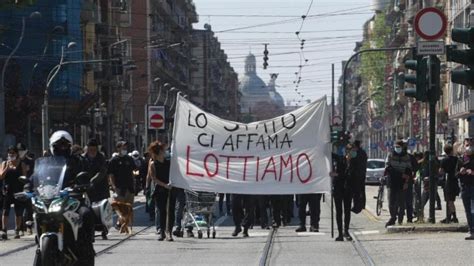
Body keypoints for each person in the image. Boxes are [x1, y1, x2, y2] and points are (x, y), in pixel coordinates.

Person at [41, 130, 95, 264]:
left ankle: (87, 248)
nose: (62, 148)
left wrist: (82, 185)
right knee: (35, 209)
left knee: (87, 214)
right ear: (52, 146)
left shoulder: (77, 161)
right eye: (59, 145)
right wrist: (28, 186)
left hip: (73, 199)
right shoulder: (45, 162)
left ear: (70, 147)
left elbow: (86, 176)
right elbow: (35, 177)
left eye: (65, 145)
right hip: (51, 200)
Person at [147, 141, 176, 241]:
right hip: (160, 190)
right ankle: (162, 232)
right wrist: (164, 185)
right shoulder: (153, 164)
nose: (165, 152)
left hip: (171, 189)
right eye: (163, 150)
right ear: (159, 152)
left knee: (171, 210)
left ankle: (170, 232)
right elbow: (153, 178)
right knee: (162, 211)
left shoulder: (170, 162)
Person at [83, 139, 109, 239]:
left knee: (101, 209)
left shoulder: (101, 157)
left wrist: (92, 180)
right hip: (87, 189)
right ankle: (91, 229)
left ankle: (104, 229)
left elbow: (102, 171)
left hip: (100, 188)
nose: (92, 151)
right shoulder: (82, 158)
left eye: (94, 149)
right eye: (90, 149)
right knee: (88, 209)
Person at [0, 146, 28, 239]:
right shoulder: (4, 163)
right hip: (7, 190)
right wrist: (7, 168)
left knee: (18, 212)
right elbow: (1, 176)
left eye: (13, 153)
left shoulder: (21, 164)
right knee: (5, 210)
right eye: (9, 153)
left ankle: (17, 229)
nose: (11, 155)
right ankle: (4, 230)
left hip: (18, 190)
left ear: (17, 154)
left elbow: (24, 177)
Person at [385, 140, 412, 226]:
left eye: (399, 147)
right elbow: (388, 168)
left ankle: (400, 219)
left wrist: (406, 181)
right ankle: (393, 217)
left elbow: (409, 170)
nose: (397, 148)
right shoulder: (390, 155)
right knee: (391, 202)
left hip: (402, 183)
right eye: (396, 147)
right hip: (392, 181)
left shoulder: (406, 157)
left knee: (401, 202)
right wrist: (401, 175)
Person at [108, 141, 135, 226]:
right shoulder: (113, 160)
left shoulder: (129, 159)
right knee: (121, 208)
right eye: (123, 147)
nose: (125, 149)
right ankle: (120, 223)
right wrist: (113, 186)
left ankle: (122, 224)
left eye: (125, 148)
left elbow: (133, 172)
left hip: (129, 188)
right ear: (118, 148)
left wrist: (134, 183)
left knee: (129, 208)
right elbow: (111, 175)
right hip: (119, 188)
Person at [331, 143, 352, 241]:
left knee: (347, 211)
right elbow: (328, 154)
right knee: (339, 211)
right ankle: (340, 233)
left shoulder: (354, 162)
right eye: (348, 151)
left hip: (348, 189)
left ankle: (346, 231)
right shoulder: (340, 159)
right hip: (338, 188)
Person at [439, 144, 460, 224]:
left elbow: (441, 171)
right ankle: (449, 217)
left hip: (448, 181)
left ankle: (454, 217)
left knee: (449, 201)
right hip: (455, 181)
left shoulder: (444, 160)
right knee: (451, 200)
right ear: (451, 151)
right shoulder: (456, 159)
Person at [17, 143, 35, 235]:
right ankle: (19, 228)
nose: (20, 152)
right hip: (18, 185)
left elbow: (34, 173)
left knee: (29, 207)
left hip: (28, 186)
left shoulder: (31, 161)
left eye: (21, 150)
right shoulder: (16, 161)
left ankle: (29, 226)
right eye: (18, 150)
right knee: (19, 207)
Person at [457, 146, 474, 240]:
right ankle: (470, 229)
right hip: (464, 187)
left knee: (473, 210)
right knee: (467, 210)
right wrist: (461, 172)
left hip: (473, 186)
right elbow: (456, 174)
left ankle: (473, 230)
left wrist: (472, 172)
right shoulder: (460, 161)